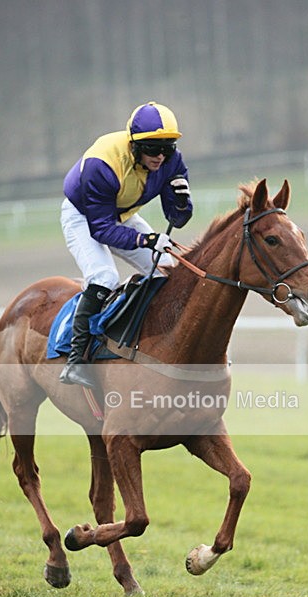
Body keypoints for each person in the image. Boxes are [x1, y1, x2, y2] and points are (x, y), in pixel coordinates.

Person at [59, 101, 193, 388]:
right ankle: (76, 361)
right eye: (152, 148)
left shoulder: (172, 160)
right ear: (134, 145)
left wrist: (182, 204)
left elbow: (177, 218)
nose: (160, 156)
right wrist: (146, 239)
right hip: (84, 216)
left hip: (123, 213)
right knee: (104, 276)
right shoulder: (102, 164)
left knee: (167, 269)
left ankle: (151, 343)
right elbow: (102, 229)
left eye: (167, 148)